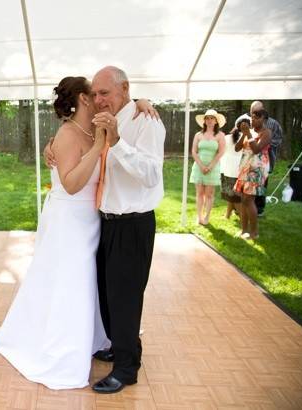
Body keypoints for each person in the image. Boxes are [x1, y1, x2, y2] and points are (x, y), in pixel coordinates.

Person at [0, 76, 110, 390]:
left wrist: (141, 103)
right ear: (83, 99)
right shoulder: (69, 134)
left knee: (82, 281)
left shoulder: (89, 129)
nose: (99, 98)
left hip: (89, 219)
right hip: (68, 220)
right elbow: (71, 185)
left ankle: (89, 337)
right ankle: (63, 349)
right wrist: (98, 146)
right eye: (93, 93)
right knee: (70, 281)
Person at [89, 66, 165, 394]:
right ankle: (123, 347)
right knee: (108, 294)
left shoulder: (146, 121)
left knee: (125, 298)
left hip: (133, 224)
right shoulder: (107, 119)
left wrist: (118, 142)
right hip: (106, 223)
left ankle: (126, 369)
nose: (97, 99)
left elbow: (150, 174)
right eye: (94, 94)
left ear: (125, 88)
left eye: (104, 92)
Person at [233, 109, 271, 240]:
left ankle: (254, 233)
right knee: (243, 199)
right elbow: (237, 148)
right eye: (252, 118)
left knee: (248, 199)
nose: (253, 120)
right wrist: (244, 134)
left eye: (256, 118)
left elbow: (256, 149)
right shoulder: (250, 132)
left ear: (264, 120)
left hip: (257, 169)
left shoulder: (266, 133)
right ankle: (244, 230)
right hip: (245, 167)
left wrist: (248, 134)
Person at [189, 109, 226, 225]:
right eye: (207, 118)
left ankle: (207, 217)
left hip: (213, 167)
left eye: (212, 118)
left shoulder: (220, 135)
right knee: (199, 193)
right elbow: (194, 152)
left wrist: (210, 166)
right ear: (204, 121)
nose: (209, 120)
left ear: (216, 121)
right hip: (199, 167)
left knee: (209, 194)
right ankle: (199, 216)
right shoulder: (198, 135)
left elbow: (221, 152)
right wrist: (201, 165)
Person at [249, 101, 283, 216]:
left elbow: (278, 139)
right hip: (248, 160)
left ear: (263, 111)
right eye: (253, 112)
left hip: (265, 158)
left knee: (262, 184)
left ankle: (259, 209)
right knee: (248, 185)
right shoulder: (248, 121)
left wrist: (264, 143)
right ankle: (248, 206)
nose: (254, 114)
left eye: (257, 111)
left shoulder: (273, 124)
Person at [220, 114, 251, 219]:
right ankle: (228, 214)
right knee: (233, 195)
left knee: (233, 196)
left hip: (229, 169)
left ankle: (243, 219)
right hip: (240, 169)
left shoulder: (228, 137)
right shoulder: (249, 137)